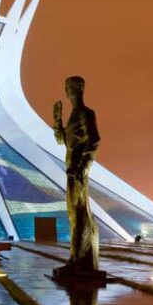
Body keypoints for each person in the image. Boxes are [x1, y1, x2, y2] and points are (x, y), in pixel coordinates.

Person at [53, 76, 102, 275]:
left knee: (79, 214)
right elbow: (61, 141)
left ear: (80, 89)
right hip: (71, 170)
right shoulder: (73, 115)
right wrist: (57, 120)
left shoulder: (86, 114)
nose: (69, 91)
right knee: (75, 215)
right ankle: (77, 258)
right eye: (67, 87)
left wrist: (84, 166)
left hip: (78, 172)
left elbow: (95, 140)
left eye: (71, 87)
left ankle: (78, 260)